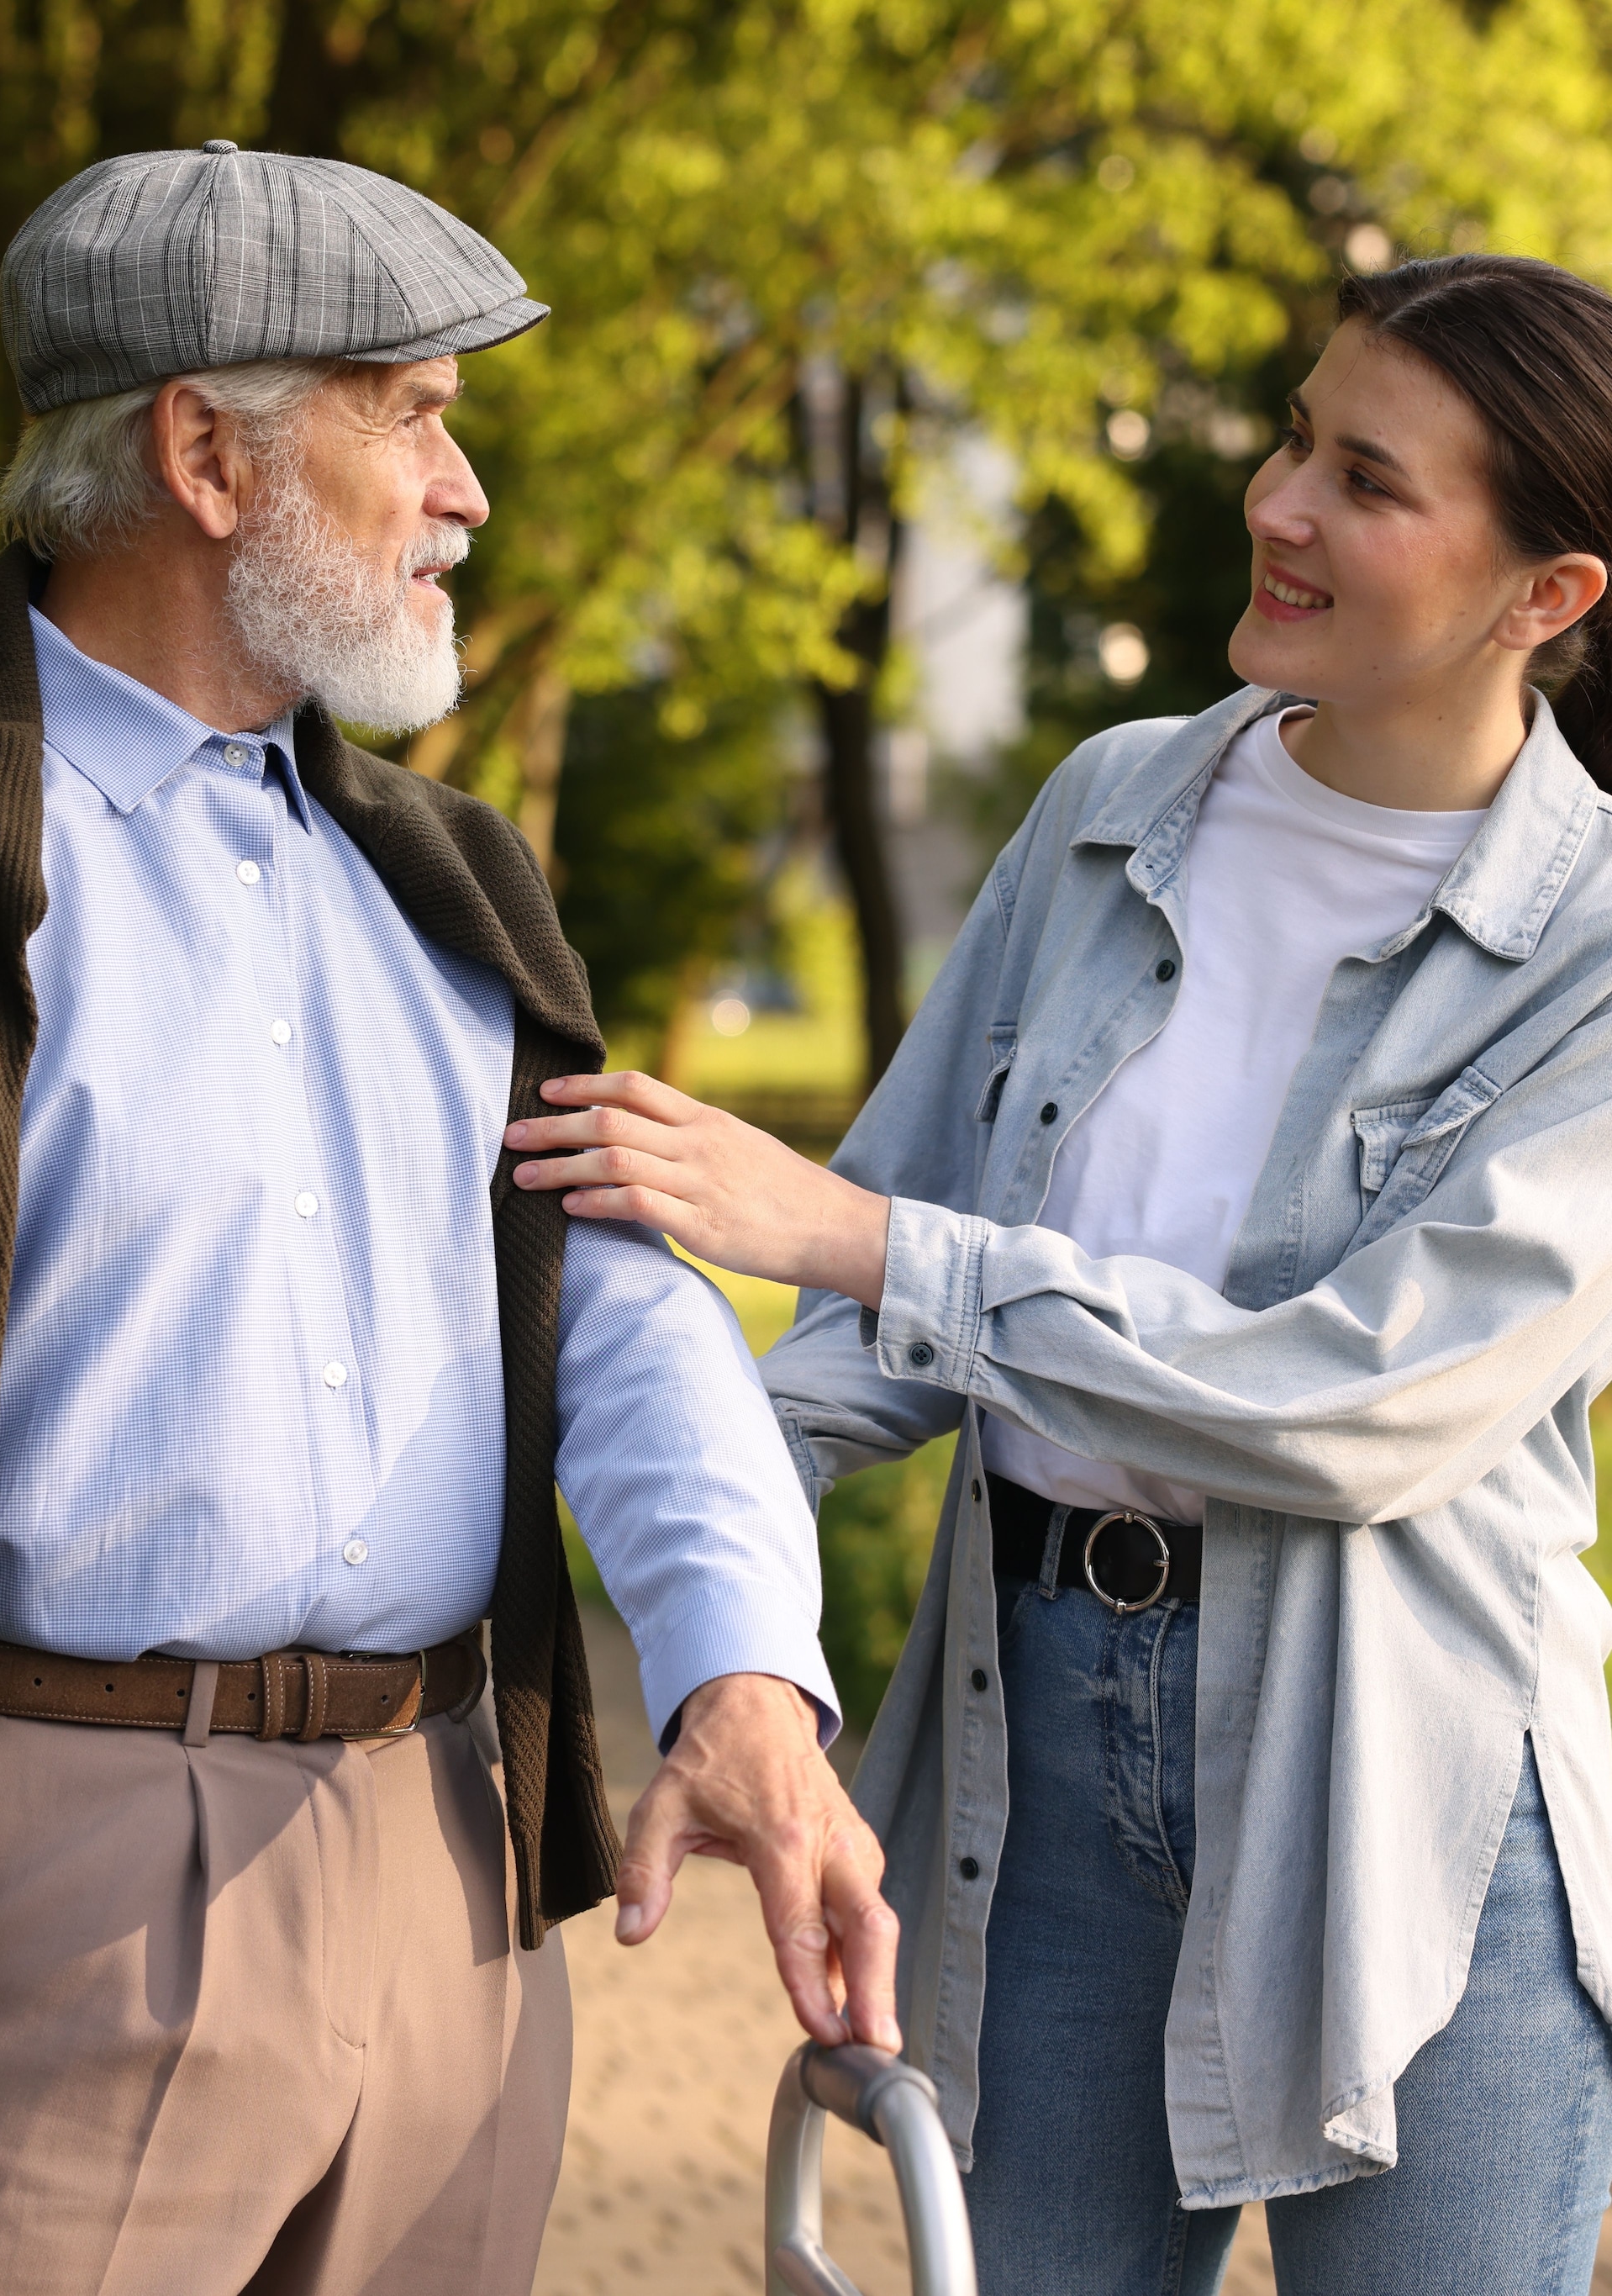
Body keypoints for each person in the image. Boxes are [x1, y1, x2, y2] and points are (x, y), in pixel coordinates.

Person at [505, 252, 1612, 2295]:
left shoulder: (1594, 951)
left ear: (1543, 595)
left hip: (1415, 1802)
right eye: (1294, 433)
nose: (1277, 500)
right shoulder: (1113, 808)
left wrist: (857, 1235)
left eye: (1365, 480)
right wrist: (669, 1557)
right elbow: (873, 1343)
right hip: (1033, 1760)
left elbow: (1354, 1402)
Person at [0, 141, 899, 2296]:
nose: (469, 496)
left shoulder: (451, 876)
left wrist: (737, 1674)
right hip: (44, 1878)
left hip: (448, 1869)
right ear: (205, 456)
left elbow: (619, 1310)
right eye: (417, 415)